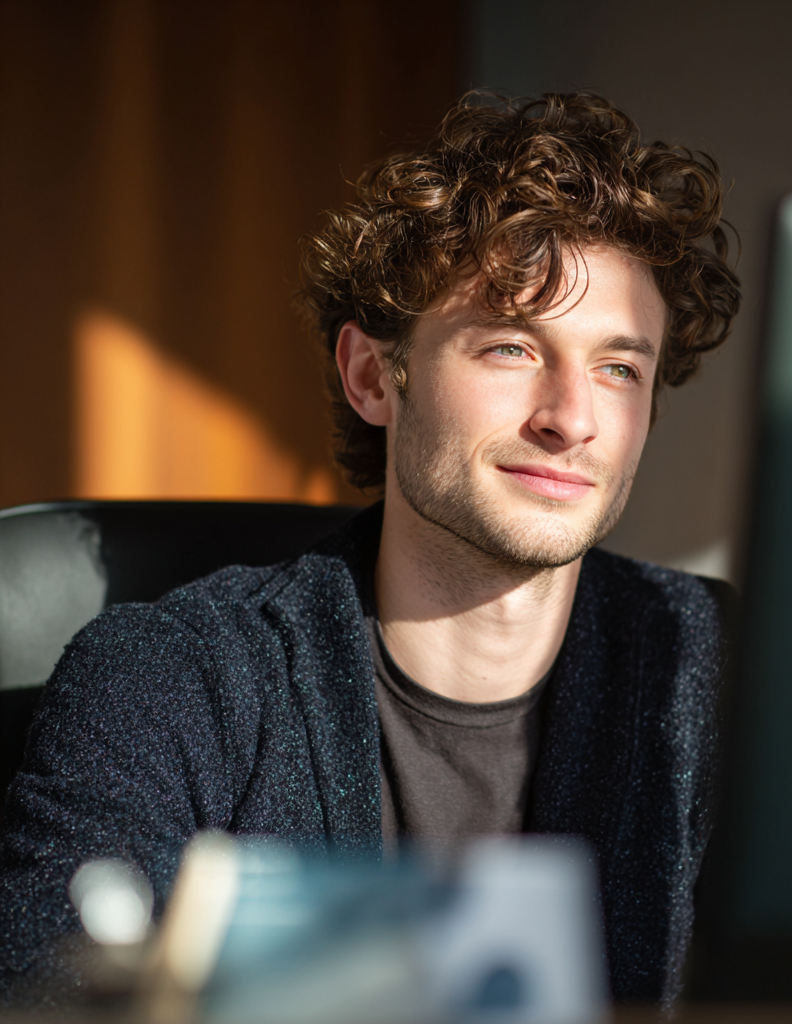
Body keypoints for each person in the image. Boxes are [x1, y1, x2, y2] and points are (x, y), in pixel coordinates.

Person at [0, 93, 740, 1005]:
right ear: (371, 377)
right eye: (510, 348)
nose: (572, 420)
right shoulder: (167, 681)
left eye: (619, 369)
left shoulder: (729, 677)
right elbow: (48, 994)